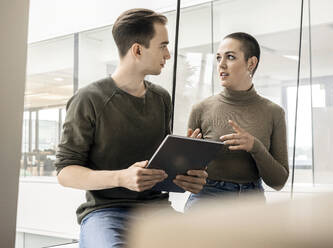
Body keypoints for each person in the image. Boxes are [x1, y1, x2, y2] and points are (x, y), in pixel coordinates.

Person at [55, 8, 207, 248]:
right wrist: (121, 177)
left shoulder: (161, 98)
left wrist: (187, 175)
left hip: (157, 210)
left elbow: (159, 164)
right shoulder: (89, 99)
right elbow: (65, 172)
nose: (168, 54)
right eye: (163, 46)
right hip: (105, 212)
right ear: (137, 49)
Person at [185, 32, 289, 210]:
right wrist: (189, 157)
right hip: (207, 201)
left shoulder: (274, 112)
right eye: (218, 58)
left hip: (252, 204)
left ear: (251, 63)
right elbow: (187, 176)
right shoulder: (200, 109)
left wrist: (255, 147)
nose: (221, 65)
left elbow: (279, 182)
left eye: (230, 57)